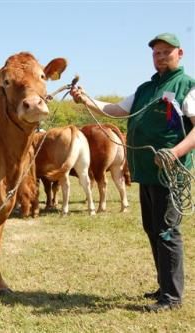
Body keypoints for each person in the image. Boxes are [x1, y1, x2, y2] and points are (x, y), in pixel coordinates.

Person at [70, 33, 195, 312]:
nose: (160, 57)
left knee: (166, 231)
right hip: (147, 172)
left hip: (170, 173)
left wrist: (175, 152)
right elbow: (114, 110)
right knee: (152, 228)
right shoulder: (145, 89)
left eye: (166, 52)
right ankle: (165, 286)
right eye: (156, 53)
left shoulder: (187, 85)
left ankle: (172, 297)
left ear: (180, 54)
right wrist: (86, 99)